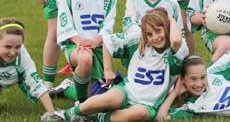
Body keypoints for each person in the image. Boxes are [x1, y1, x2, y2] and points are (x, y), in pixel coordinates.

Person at [57, 7, 188, 122]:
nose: (155, 37)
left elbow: (176, 40)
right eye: (149, 34)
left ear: (167, 28)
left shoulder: (175, 52)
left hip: (148, 104)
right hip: (127, 90)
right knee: (109, 98)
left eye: (159, 31)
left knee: (139, 114)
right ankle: (65, 114)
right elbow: (108, 42)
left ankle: (94, 118)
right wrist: (108, 70)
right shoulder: (138, 43)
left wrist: (168, 17)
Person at [56, 0, 117, 103]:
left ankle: (68, 88)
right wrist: (79, 42)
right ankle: (81, 104)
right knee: (85, 60)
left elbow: (109, 22)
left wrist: (96, 41)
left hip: (99, 47)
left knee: (100, 97)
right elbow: (64, 20)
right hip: (76, 46)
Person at [0, 18, 64, 122]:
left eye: (17, 47)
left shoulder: (23, 58)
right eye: (7, 47)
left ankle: (64, 88)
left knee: (38, 91)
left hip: (16, 75)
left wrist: (52, 113)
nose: (12, 52)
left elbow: (36, 83)